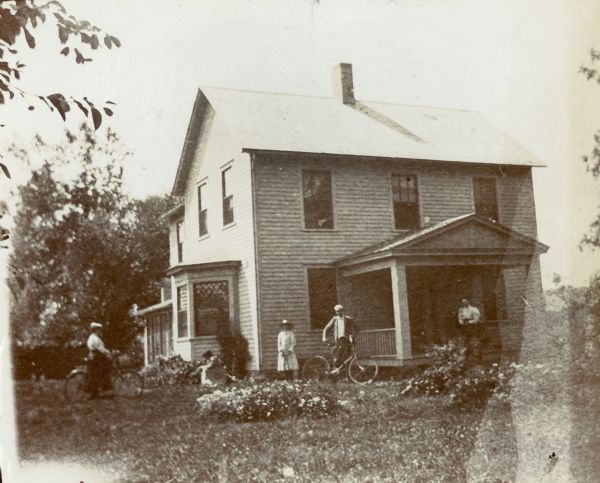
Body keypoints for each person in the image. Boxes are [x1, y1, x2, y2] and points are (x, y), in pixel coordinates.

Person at [86, 322, 113, 397]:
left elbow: (101, 348)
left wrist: (107, 352)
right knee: (100, 373)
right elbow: (100, 348)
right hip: (96, 358)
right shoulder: (94, 338)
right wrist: (108, 352)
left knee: (99, 373)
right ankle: (102, 391)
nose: (100, 331)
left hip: (95, 357)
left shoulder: (93, 337)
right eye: (99, 330)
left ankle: (100, 390)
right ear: (95, 330)